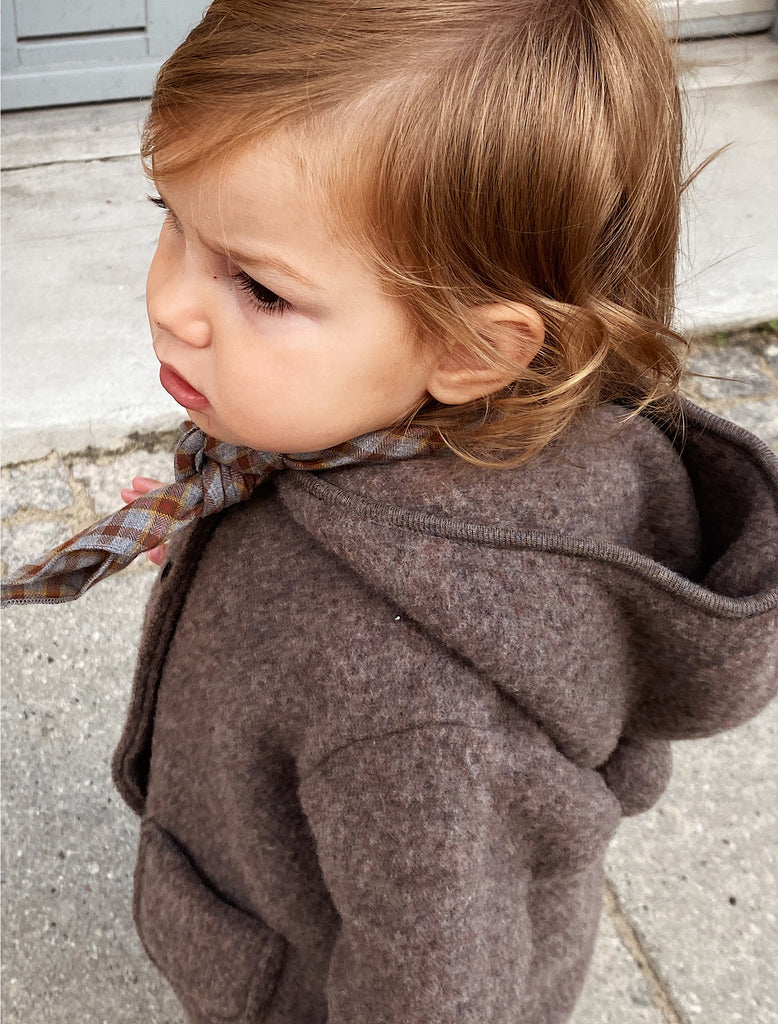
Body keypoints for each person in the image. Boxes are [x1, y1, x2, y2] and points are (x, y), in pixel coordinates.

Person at [2, 1, 777, 1022]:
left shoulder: (413, 715)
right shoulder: (364, 426)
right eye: (168, 219)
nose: (170, 303)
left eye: (260, 290)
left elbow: (437, 992)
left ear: (470, 350)